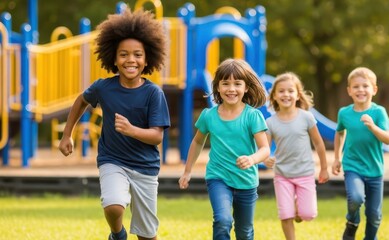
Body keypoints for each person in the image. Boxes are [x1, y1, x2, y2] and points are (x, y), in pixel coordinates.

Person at [58, 8, 169, 240]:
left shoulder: (153, 94)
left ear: (147, 59)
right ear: (113, 59)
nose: (131, 60)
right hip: (112, 160)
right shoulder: (103, 88)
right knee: (113, 204)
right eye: (124, 54)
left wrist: (132, 130)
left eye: (138, 55)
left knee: (147, 235)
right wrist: (67, 134)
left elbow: (157, 136)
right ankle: (117, 233)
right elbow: (81, 101)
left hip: (145, 168)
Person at [178, 58, 270, 240]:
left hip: (246, 182)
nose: (231, 89)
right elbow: (197, 142)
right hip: (218, 178)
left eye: (237, 83)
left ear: (246, 87)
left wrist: (252, 159)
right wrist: (187, 171)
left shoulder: (253, 116)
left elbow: (265, 149)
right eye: (225, 83)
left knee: (244, 232)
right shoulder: (208, 116)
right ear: (217, 87)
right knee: (222, 221)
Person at [263, 72, 329, 240]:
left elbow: (319, 144)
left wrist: (324, 169)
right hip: (282, 175)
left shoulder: (306, 117)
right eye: (281, 91)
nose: (286, 94)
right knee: (285, 215)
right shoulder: (270, 122)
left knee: (308, 214)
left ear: (298, 94)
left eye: (290, 91)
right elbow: (264, 147)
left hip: (305, 173)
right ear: (274, 96)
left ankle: (298, 209)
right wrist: (266, 158)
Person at [332, 67, 389, 240]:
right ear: (349, 91)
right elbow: (339, 132)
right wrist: (337, 158)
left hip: (375, 170)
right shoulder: (344, 113)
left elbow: (388, 139)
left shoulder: (378, 112)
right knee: (356, 198)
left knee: (374, 216)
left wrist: (373, 126)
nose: (361, 90)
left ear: (374, 89)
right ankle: (352, 222)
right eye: (356, 86)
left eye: (365, 86)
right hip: (353, 166)